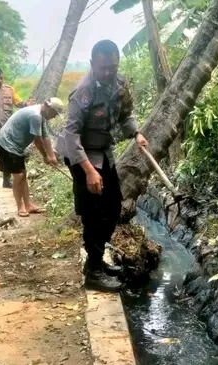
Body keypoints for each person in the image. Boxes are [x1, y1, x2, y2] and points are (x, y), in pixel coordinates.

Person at [55, 40, 149, 293]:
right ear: (92, 64)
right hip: (80, 155)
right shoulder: (83, 92)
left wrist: (136, 133)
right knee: (93, 212)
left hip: (103, 152)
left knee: (113, 205)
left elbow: (126, 114)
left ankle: (95, 262)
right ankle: (94, 272)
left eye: (112, 67)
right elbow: (72, 134)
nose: (108, 73)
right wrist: (88, 171)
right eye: (103, 68)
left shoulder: (119, 84)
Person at [0, 97, 64, 217]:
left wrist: (52, 156)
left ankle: (29, 205)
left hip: (17, 145)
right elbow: (37, 140)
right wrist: (45, 157)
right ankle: (20, 207)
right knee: (18, 175)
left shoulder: (41, 115)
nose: (54, 117)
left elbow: (45, 136)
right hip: (8, 143)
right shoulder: (35, 115)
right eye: (54, 113)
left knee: (23, 174)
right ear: (48, 107)